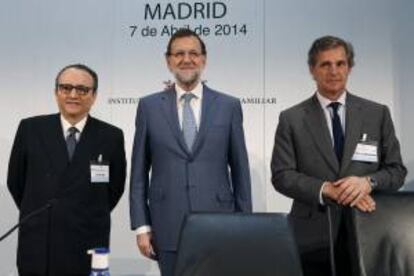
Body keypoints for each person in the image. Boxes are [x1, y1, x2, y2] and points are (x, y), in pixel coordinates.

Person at [271, 36, 407, 276]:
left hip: (369, 230)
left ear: (349, 68)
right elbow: (282, 175)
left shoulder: (377, 114)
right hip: (312, 236)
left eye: (340, 63)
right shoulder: (291, 118)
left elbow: (396, 171)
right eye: (325, 64)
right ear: (312, 70)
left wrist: (367, 182)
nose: (333, 71)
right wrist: (325, 189)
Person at [129, 28, 252, 276]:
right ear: (168, 61)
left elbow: (240, 170)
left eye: (194, 53)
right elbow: (139, 172)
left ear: (204, 59)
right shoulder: (149, 106)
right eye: (179, 54)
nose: (187, 59)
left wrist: (244, 223)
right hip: (167, 224)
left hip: (220, 224)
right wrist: (142, 225)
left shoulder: (228, 106)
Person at [7, 64, 126, 276]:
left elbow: (114, 189)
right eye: (66, 87)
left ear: (94, 96)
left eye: (82, 89)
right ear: (56, 92)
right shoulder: (31, 129)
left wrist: (81, 211)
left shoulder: (111, 136)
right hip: (40, 240)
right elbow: (15, 182)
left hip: (87, 239)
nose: (73, 95)